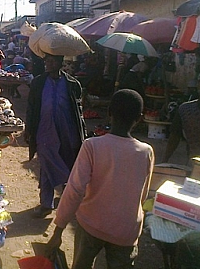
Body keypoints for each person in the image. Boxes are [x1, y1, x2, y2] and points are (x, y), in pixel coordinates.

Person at [45, 89, 154, 269]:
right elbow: (142, 194)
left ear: (109, 112)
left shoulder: (92, 146)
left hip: (91, 225)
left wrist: (59, 229)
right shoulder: (146, 152)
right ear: (140, 118)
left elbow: (75, 190)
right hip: (126, 230)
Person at [25, 53, 86, 218]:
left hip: (67, 131)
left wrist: (83, 133)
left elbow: (79, 112)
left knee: (65, 162)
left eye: (52, 61)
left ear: (60, 62)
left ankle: (55, 201)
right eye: (46, 60)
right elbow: (31, 108)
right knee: (45, 161)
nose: (48, 63)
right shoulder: (38, 82)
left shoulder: (73, 84)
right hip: (44, 130)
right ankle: (49, 201)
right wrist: (28, 129)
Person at [164, 69, 200, 163]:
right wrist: (165, 160)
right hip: (194, 164)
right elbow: (174, 136)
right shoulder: (185, 110)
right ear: (198, 84)